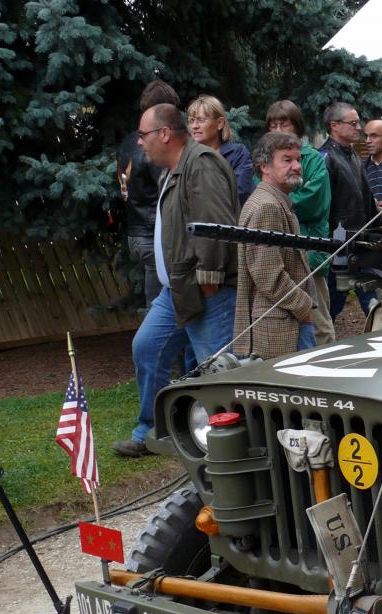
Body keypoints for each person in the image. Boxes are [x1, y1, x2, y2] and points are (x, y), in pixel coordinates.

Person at [113, 105, 239, 458]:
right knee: (147, 347)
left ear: (165, 134)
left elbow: (215, 222)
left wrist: (210, 276)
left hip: (206, 289)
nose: (140, 143)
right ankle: (152, 430)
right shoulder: (171, 170)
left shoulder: (201, 164)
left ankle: (229, 447)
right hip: (177, 290)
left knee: (217, 373)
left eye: (144, 135)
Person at [234, 132, 328, 359]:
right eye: (287, 160)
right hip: (279, 327)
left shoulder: (277, 201)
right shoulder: (267, 207)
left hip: (286, 321)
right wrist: (304, 308)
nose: (296, 166)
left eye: (298, 160)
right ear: (264, 167)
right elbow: (269, 276)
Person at [263, 101, 335, 345]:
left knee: (318, 321)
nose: (278, 129)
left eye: (284, 123)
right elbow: (259, 192)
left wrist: (277, 203)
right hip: (278, 253)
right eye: (273, 124)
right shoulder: (265, 160)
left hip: (309, 251)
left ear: (297, 126)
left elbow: (314, 201)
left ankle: (328, 370)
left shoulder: (313, 159)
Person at [116, 80, 179, 308]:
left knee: (156, 301)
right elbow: (166, 191)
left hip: (135, 231)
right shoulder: (155, 145)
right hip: (153, 235)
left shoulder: (129, 141)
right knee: (162, 306)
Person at [318, 102, 377, 321]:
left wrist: (381, 232)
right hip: (337, 247)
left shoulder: (353, 157)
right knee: (330, 307)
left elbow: (367, 201)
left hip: (360, 245)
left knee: (375, 304)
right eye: (353, 123)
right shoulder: (324, 158)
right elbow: (322, 209)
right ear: (334, 125)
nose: (359, 127)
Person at [187, 95, 253, 207]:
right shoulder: (186, 156)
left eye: (201, 120)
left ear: (220, 123)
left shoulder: (238, 153)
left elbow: (240, 194)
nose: (194, 126)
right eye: (191, 120)